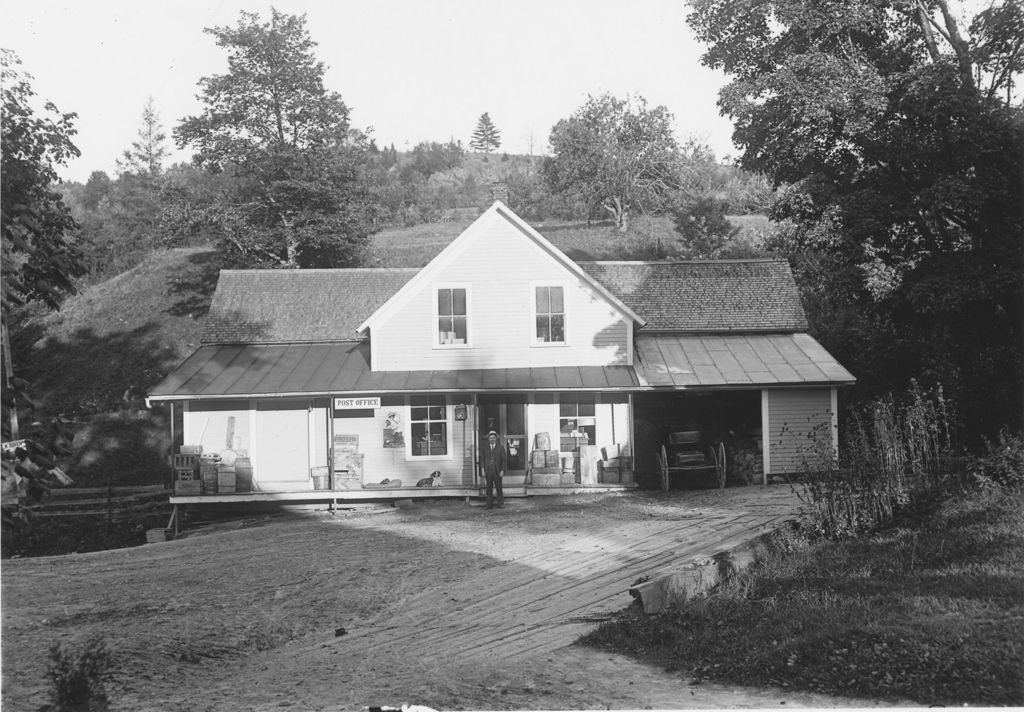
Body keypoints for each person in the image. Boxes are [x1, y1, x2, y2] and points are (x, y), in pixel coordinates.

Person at [480, 430, 506, 509]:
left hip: (497, 470)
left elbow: (504, 460)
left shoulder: (500, 447)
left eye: (494, 438)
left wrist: (502, 470)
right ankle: (489, 504)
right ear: (488, 439)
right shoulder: (485, 448)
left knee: (499, 487)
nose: (492, 439)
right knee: (489, 488)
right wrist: (482, 469)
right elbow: (482, 459)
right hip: (488, 470)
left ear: (496, 439)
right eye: (490, 438)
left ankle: (500, 503)